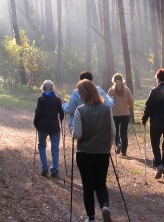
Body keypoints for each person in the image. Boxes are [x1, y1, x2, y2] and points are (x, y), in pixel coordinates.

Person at [72, 79, 116, 222]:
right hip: (102, 152)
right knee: (101, 183)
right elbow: (113, 132)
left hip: (84, 153)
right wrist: (108, 146)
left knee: (88, 185)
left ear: (84, 94)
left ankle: (91, 218)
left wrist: (72, 131)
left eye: (80, 93)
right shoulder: (106, 109)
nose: (79, 96)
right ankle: (104, 206)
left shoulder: (80, 110)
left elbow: (77, 134)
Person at [141, 69, 164, 181]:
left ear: (158, 78)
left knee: (155, 145)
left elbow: (149, 106)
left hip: (156, 123)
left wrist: (145, 118)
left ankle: (159, 165)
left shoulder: (155, 91)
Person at [34, 80, 64, 178]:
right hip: (54, 126)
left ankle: (44, 168)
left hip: (42, 126)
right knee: (55, 148)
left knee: (42, 146)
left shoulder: (41, 99)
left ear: (43, 88)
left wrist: (36, 123)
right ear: (52, 88)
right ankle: (54, 169)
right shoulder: (57, 100)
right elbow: (62, 113)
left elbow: (38, 114)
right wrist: (61, 119)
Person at [107, 73, 134, 158]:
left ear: (113, 80)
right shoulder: (127, 89)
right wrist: (128, 107)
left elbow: (107, 103)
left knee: (116, 131)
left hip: (115, 115)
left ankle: (118, 143)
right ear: (122, 80)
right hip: (125, 114)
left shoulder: (111, 90)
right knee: (124, 132)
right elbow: (131, 101)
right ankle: (124, 151)